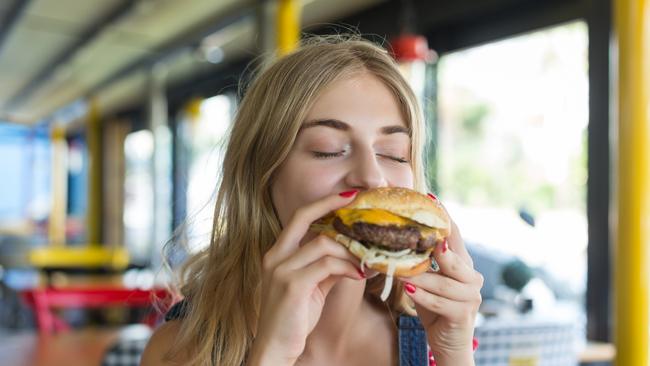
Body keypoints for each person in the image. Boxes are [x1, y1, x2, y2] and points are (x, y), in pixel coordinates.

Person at [141, 34, 483, 366]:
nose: (371, 177)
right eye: (328, 149)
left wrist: (455, 355)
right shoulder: (179, 349)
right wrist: (272, 355)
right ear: (262, 175)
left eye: (394, 154)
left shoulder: (426, 336)